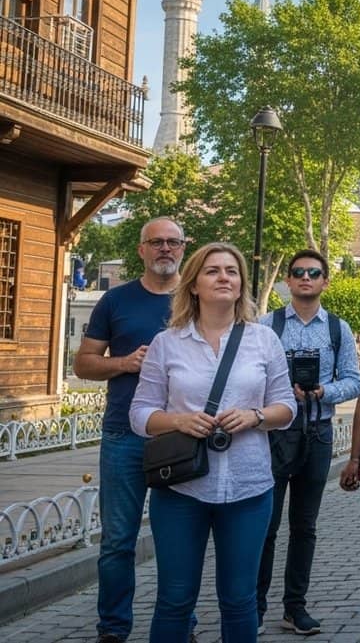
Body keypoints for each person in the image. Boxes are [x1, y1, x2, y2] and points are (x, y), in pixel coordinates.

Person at [129, 242, 298, 642]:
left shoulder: (264, 341)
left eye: (232, 271)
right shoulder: (166, 343)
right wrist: (178, 421)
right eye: (212, 271)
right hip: (181, 489)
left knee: (239, 600)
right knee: (174, 598)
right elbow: (139, 414)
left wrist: (255, 416)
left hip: (248, 488)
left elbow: (286, 408)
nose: (224, 277)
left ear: (241, 286)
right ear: (193, 285)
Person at [75, 217, 189, 643]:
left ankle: (180, 625)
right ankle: (114, 629)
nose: (165, 249)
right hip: (124, 434)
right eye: (156, 242)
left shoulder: (195, 300)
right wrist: (124, 363)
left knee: (178, 541)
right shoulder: (115, 300)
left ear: (183, 248)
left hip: (179, 437)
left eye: (173, 242)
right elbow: (83, 363)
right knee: (118, 542)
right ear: (140, 250)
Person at [256, 249, 360, 636]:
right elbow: (251, 376)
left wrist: (322, 391)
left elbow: (355, 379)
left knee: (305, 525)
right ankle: (254, 605)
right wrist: (282, 393)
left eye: (313, 273)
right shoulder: (267, 326)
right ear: (287, 280)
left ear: (324, 282)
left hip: (317, 432)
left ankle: (294, 607)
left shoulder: (338, 328)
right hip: (273, 434)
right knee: (265, 525)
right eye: (298, 272)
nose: (305, 278)